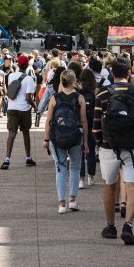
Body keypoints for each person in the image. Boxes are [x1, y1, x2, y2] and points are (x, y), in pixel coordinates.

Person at [94, 56, 134, 246]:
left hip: (109, 147)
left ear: (111, 73)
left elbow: (95, 127)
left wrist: (102, 142)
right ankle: (128, 226)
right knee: (131, 185)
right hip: (132, 147)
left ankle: (110, 227)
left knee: (109, 186)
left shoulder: (102, 94)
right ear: (129, 72)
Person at [43, 70, 89, 213]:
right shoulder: (79, 98)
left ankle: (62, 204)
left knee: (60, 169)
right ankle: (73, 200)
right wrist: (85, 142)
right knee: (75, 167)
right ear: (74, 80)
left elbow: (49, 121)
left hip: (58, 138)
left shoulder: (54, 98)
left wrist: (46, 139)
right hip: (75, 137)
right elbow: (84, 122)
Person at [1, 55, 37, 169]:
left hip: (12, 108)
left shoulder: (11, 76)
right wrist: (35, 106)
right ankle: (28, 158)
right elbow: (28, 98)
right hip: (24, 109)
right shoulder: (29, 79)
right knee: (26, 133)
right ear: (27, 65)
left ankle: (7, 159)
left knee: (12, 133)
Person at [78, 69, 97, 188]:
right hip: (92, 127)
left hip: (80, 127)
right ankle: (91, 177)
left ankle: (81, 179)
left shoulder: (78, 94)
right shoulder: (95, 94)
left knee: (80, 153)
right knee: (91, 152)